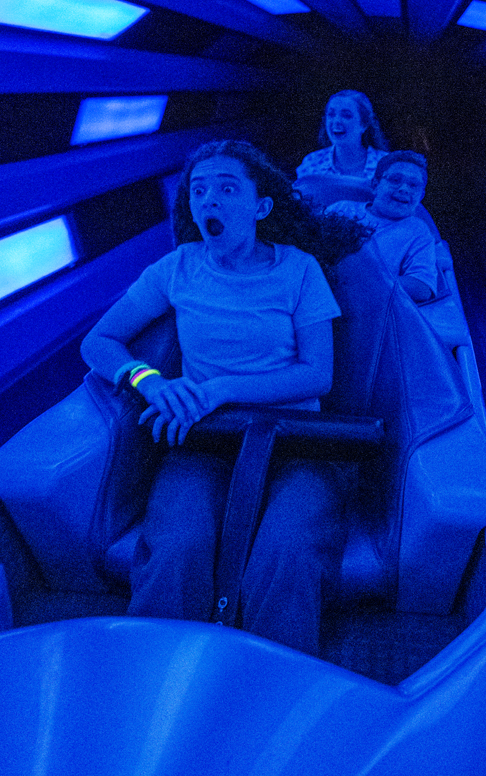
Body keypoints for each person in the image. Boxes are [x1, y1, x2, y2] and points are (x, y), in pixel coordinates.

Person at [80, 140, 360, 655]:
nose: (209, 199)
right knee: (178, 547)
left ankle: (270, 694)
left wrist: (221, 389)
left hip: (297, 441)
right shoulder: (177, 269)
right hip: (205, 440)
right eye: (200, 190)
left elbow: (317, 375)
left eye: (227, 188)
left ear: (260, 207)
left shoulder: (298, 270)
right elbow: (98, 341)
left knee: (288, 553)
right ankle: (156, 678)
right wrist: (151, 382)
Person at [327, 150, 437, 303]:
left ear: (421, 196)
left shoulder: (418, 231)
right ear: (375, 185)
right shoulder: (342, 210)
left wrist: (364, 281)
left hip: (371, 305)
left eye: (413, 185)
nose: (404, 189)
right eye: (395, 180)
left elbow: (422, 287)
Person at [295, 90, 390, 204]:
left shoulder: (386, 164)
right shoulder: (312, 162)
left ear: (363, 125)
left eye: (346, 115)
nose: (336, 121)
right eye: (331, 114)